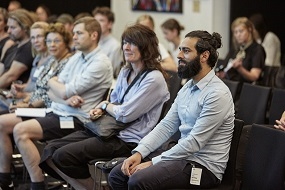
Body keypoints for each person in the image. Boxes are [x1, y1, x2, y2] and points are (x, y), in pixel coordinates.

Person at [38, 24, 170, 190]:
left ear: (146, 47)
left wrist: (104, 105)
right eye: (125, 42)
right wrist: (101, 109)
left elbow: (125, 114)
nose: (126, 47)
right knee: (50, 150)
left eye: (132, 43)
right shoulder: (126, 71)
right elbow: (115, 101)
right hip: (107, 130)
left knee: (63, 155)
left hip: (127, 140)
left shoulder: (154, 78)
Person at [108, 30, 235, 190]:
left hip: (203, 167)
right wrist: (139, 152)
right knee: (118, 174)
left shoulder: (217, 94)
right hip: (181, 157)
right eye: (180, 49)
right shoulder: (188, 87)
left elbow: (194, 143)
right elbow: (166, 125)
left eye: (186, 51)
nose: (179, 55)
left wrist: (153, 162)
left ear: (204, 56)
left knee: (138, 180)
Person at [11, 17, 113, 190]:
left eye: (79, 33)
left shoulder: (100, 62)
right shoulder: (77, 57)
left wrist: (60, 90)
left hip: (76, 119)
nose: (74, 37)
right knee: (16, 130)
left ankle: (38, 185)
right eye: (73, 33)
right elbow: (52, 87)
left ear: (94, 35)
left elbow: (63, 89)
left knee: (21, 132)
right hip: (59, 111)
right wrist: (63, 94)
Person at [0, 21, 73, 190]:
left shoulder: (67, 63)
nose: (51, 45)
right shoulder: (52, 61)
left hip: (51, 111)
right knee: (2, 123)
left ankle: (34, 183)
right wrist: (24, 98)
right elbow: (40, 90)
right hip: (40, 107)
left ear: (66, 42)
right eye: (49, 41)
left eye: (56, 41)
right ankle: (5, 177)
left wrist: (29, 105)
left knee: (6, 125)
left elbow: (52, 95)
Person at [0, 21, 50, 112]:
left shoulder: (52, 61)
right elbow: (30, 83)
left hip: (35, 104)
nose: (35, 41)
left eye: (39, 36)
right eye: (33, 37)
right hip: (24, 98)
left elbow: (46, 93)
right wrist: (20, 87)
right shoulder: (38, 57)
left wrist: (23, 96)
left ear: (48, 37)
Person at [217, 17, 265, 85]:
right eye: (235, 32)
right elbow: (224, 67)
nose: (238, 35)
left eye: (241, 31)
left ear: (249, 30)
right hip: (230, 85)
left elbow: (254, 76)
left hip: (245, 88)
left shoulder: (257, 49)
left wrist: (240, 68)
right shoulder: (235, 48)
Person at [0, 9, 35, 89]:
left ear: (25, 27)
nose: (8, 31)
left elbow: (11, 76)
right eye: (8, 27)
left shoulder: (29, 47)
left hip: (15, 96)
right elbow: (1, 69)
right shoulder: (12, 47)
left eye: (13, 28)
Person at [92, 6, 122, 78]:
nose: (97, 24)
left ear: (110, 24)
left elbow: (110, 72)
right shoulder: (91, 43)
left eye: (101, 20)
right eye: (95, 21)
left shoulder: (115, 46)